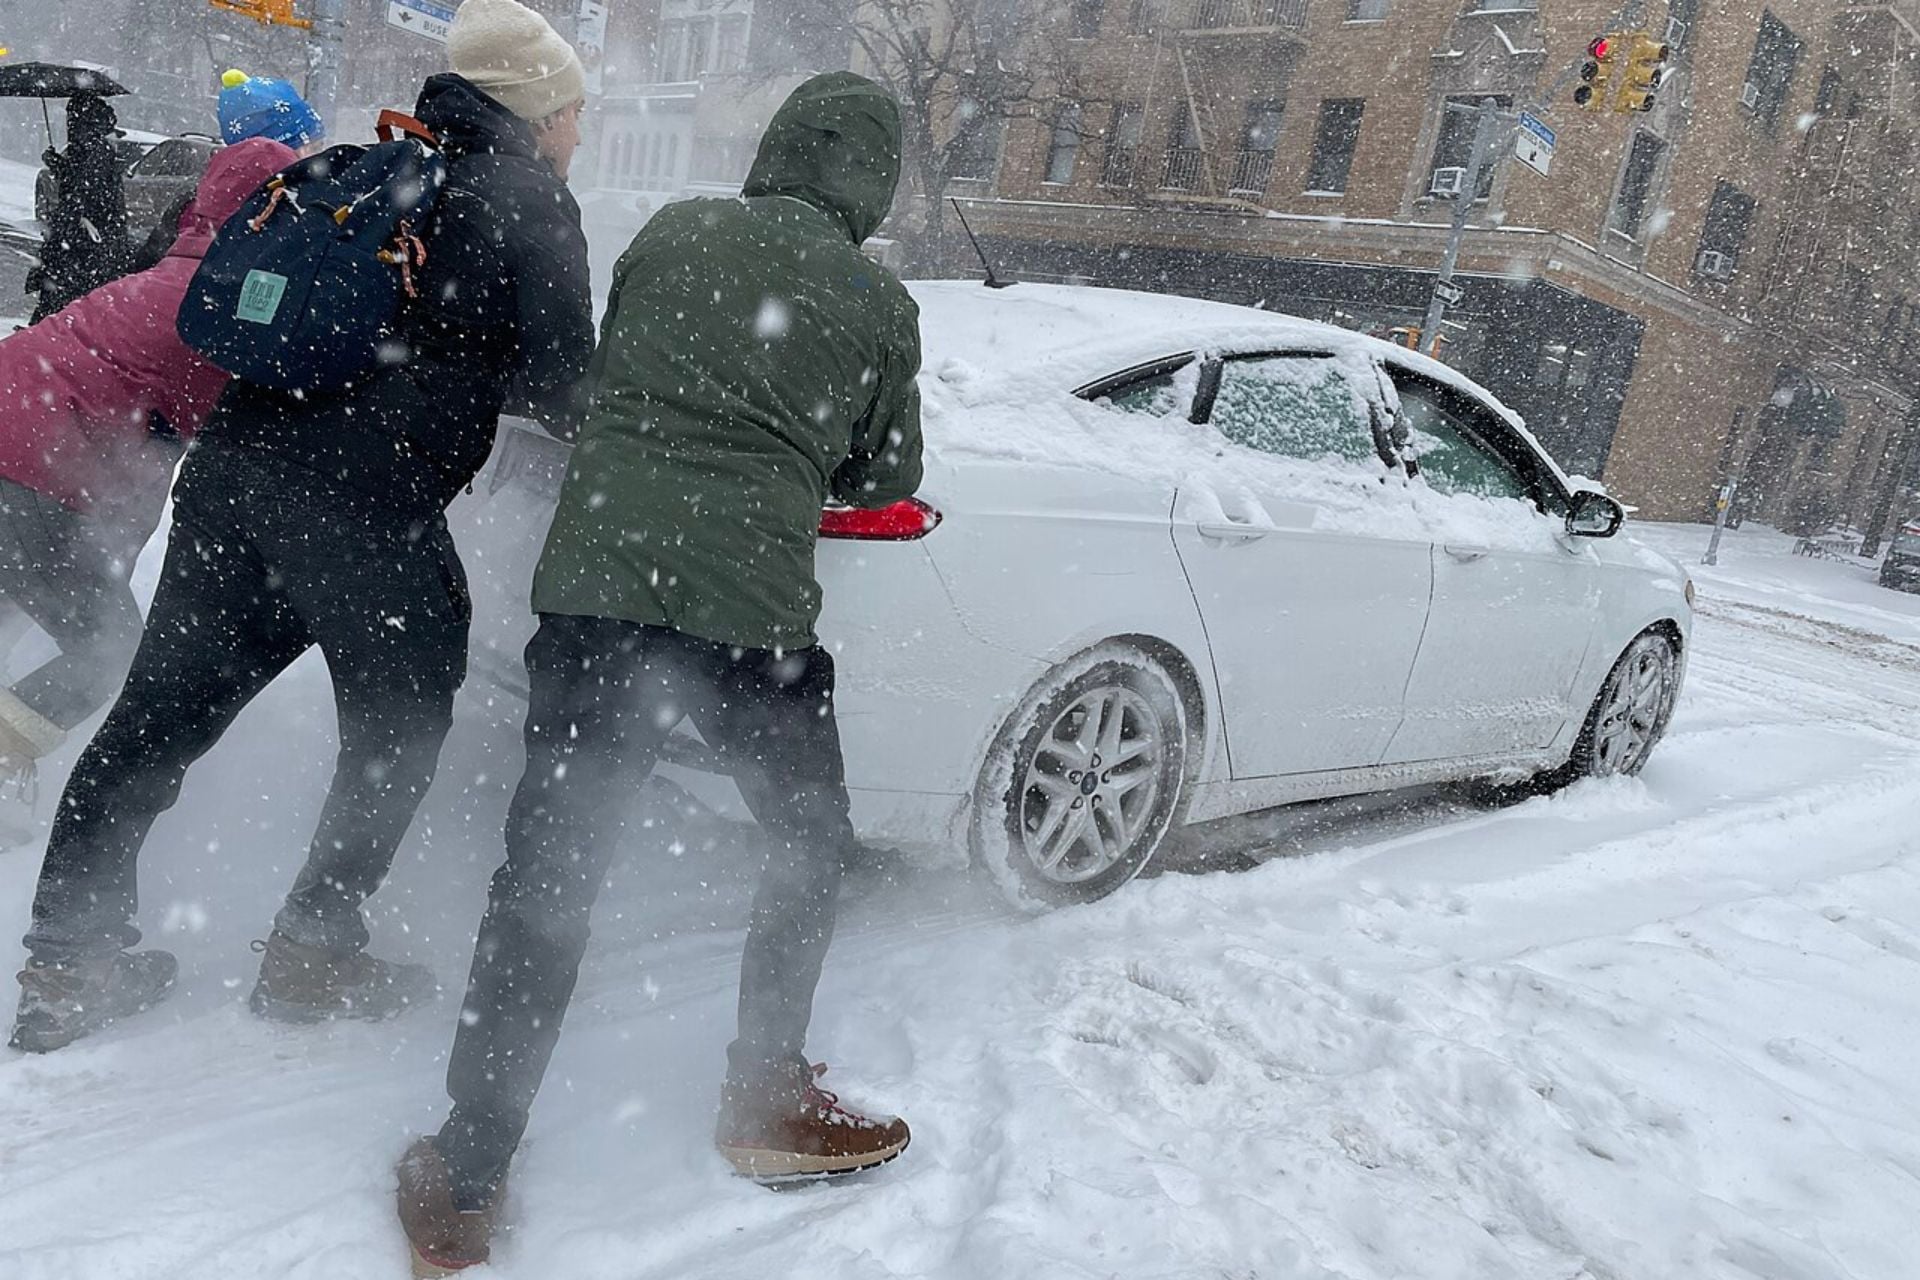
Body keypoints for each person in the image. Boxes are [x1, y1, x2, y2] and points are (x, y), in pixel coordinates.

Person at [394, 71, 924, 1274]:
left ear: (777, 146)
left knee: (549, 872)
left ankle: (468, 1173)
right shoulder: (876, 298)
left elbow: (606, 374)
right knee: (807, 842)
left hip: (598, 597)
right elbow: (886, 473)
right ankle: (764, 1096)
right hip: (754, 619)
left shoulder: (675, 229)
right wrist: (801, 465)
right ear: (873, 181)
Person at [8, 0, 593, 1054]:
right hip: (366, 505)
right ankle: (312, 952)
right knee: (401, 720)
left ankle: (65, 963)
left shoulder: (360, 170)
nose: (578, 133)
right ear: (541, 109)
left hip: (233, 480)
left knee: (156, 717)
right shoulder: (526, 197)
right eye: (575, 112)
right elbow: (564, 386)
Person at [0, 136, 299, 845]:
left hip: (18, 431)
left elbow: (137, 440)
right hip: (29, 464)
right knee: (109, 648)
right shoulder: (231, 297)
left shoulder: (177, 266)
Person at [126, 70, 325, 276]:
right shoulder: (291, 212)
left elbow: (145, 270)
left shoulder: (194, 204)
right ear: (279, 150)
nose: (319, 158)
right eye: (314, 147)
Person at [30, 94, 132, 323]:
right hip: (83, 236)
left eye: (71, 115)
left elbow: (88, 189)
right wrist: (59, 164)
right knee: (66, 292)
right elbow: (80, 181)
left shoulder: (95, 149)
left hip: (85, 238)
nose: (69, 122)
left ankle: (47, 332)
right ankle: (46, 329)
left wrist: (76, 215)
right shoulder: (88, 147)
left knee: (67, 291)